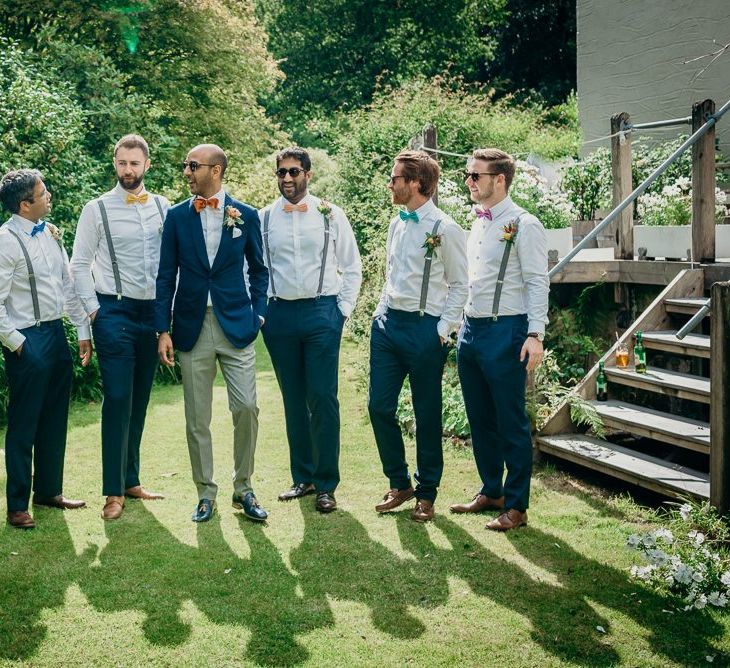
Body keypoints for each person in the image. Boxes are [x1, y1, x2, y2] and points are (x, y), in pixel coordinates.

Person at [155, 144, 269, 523]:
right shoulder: (175, 218)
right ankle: (205, 492)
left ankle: (244, 487)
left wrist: (259, 315)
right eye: (186, 166)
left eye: (192, 166)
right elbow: (165, 275)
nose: (186, 172)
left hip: (236, 325)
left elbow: (260, 270)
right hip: (190, 327)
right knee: (196, 417)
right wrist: (162, 329)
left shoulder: (246, 215)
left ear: (216, 170)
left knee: (247, 408)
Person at [449, 148, 549, 531]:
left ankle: (517, 505)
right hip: (472, 331)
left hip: (507, 330)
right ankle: (492, 490)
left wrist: (535, 334)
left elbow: (538, 281)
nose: (469, 182)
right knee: (480, 417)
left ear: (500, 180)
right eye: (469, 175)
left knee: (510, 421)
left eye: (476, 176)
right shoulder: (478, 222)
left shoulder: (525, 224)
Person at [71, 134, 169, 521]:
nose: (128, 170)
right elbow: (78, 264)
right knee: (116, 399)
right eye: (122, 163)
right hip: (113, 312)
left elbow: (169, 266)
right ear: (115, 163)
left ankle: (131, 479)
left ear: (147, 165)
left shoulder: (163, 207)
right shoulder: (96, 209)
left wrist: (166, 318)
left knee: (140, 399)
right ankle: (112, 492)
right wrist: (94, 312)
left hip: (151, 315)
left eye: (135, 163)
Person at [259, 147, 362, 513]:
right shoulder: (263, 218)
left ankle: (326, 483)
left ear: (308, 174)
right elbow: (253, 271)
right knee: (293, 398)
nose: (287, 178)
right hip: (279, 317)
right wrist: (261, 312)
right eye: (281, 172)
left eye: (294, 172)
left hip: (322, 313)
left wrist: (341, 313)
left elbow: (352, 268)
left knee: (322, 397)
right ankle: (302, 477)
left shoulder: (332, 215)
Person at [369, 150, 467, 522]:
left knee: (427, 414)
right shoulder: (397, 223)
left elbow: (461, 285)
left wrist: (441, 331)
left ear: (415, 183)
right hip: (388, 326)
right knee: (379, 406)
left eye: (395, 178)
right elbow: (391, 275)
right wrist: (380, 312)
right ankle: (399, 482)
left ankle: (427, 493)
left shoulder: (445, 229)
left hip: (425, 330)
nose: (390, 184)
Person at [0, 169, 91, 529]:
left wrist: (82, 330)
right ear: (25, 204)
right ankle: (17, 505)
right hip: (27, 339)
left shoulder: (50, 233)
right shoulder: (5, 241)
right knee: (24, 424)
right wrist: (19, 344)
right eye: (42, 192)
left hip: (56, 335)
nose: (49, 195)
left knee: (55, 418)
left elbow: (66, 286)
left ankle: (49, 492)